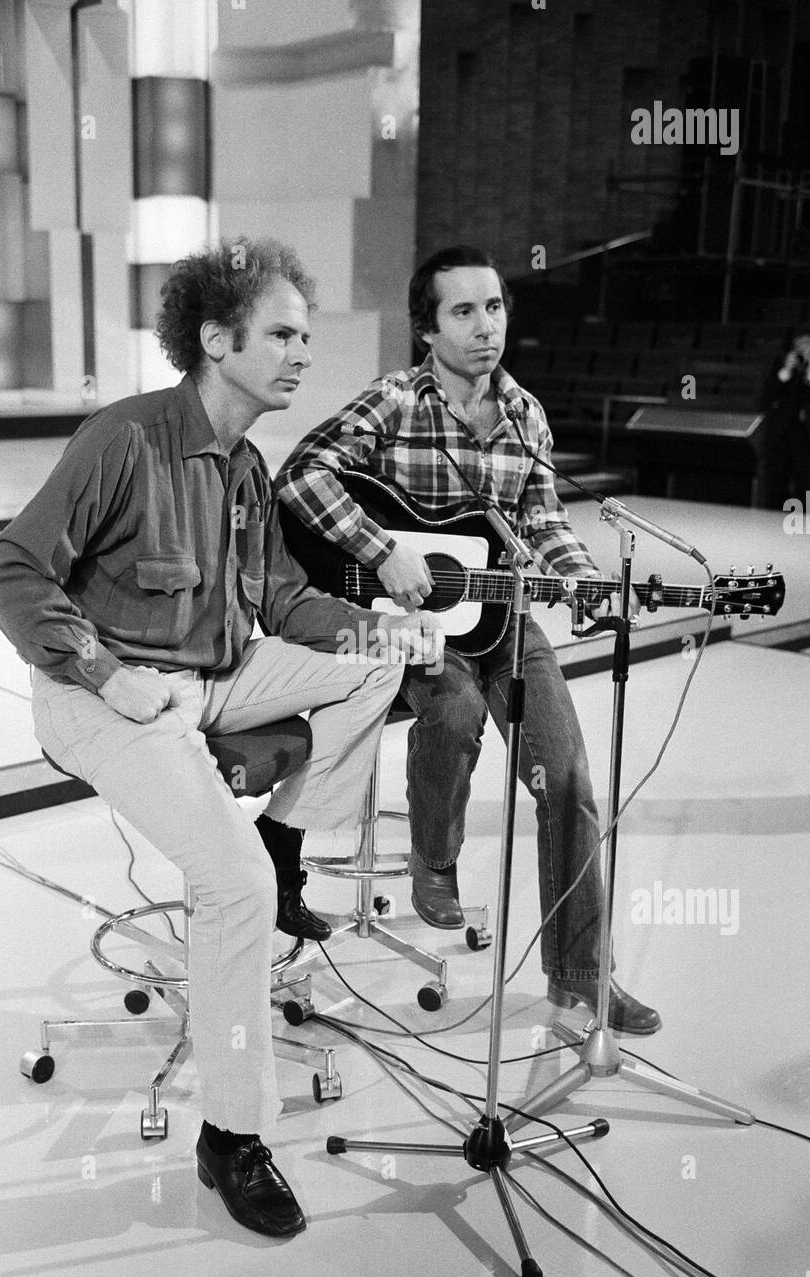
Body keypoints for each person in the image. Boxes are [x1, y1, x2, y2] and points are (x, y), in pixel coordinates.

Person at [0, 237, 443, 1238]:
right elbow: (12, 575)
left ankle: (284, 843)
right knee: (226, 886)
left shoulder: (245, 466)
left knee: (378, 662)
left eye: (305, 337)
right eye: (281, 333)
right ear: (216, 337)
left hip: (216, 672)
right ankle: (233, 1136)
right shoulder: (125, 439)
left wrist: (380, 627)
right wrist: (108, 674)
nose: (300, 354)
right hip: (100, 691)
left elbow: (276, 598)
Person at [276, 244, 660, 1036]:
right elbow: (301, 476)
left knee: (570, 782)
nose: (486, 327)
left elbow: (545, 521)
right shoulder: (393, 400)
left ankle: (580, 975)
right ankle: (434, 859)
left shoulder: (525, 414)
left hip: (505, 618)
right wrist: (386, 552)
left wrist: (582, 580)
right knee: (451, 716)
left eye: (494, 309)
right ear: (427, 327)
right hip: (418, 627)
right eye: (464, 311)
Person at [758, 329, 810, 509]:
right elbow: (763, 399)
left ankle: (802, 525)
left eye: (809, 352)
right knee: (775, 483)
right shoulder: (782, 366)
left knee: (806, 486)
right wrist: (784, 373)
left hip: (809, 435)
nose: (805, 356)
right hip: (783, 433)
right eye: (801, 352)